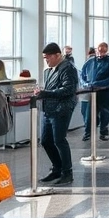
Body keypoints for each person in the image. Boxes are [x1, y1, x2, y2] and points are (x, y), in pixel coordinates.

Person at [33, 43, 78, 186]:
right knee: (46, 141)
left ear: (57, 55)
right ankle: (57, 168)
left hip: (61, 109)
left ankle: (67, 172)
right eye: (45, 58)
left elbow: (68, 89)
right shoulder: (48, 71)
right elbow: (50, 88)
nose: (46, 61)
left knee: (59, 140)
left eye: (48, 58)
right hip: (48, 110)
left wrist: (45, 93)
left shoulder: (68, 68)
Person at [79, 42, 109, 142]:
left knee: (105, 112)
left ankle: (103, 130)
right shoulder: (90, 61)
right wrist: (86, 84)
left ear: (106, 50)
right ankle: (88, 132)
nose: (101, 53)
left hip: (105, 91)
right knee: (89, 113)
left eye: (103, 51)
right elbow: (82, 74)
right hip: (92, 92)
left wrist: (99, 83)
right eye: (99, 50)